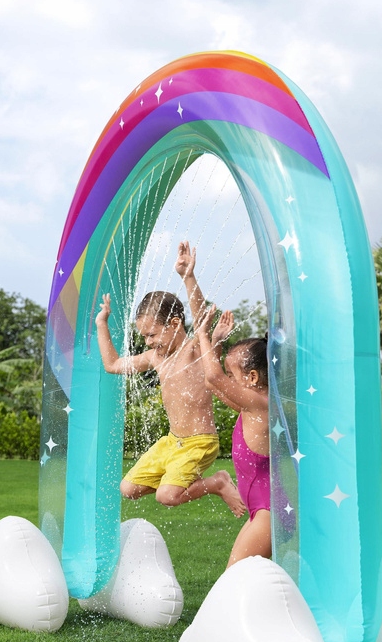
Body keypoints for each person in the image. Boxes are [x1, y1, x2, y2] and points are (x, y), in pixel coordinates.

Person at [95, 241, 245, 516]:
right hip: (172, 441)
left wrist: (188, 277)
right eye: (143, 336)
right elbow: (113, 365)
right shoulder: (155, 358)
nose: (147, 342)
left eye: (151, 334)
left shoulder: (195, 349)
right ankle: (176, 477)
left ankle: (218, 482)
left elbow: (201, 321)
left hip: (199, 441)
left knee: (167, 496)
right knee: (128, 488)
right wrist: (101, 323)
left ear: (174, 324)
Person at [195, 305, 271, 567]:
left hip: (268, 513)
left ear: (252, 377)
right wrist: (216, 341)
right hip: (260, 511)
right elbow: (210, 381)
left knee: (235, 576)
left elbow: (214, 376)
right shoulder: (250, 408)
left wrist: (202, 335)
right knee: (236, 577)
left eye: (232, 375)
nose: (227, 379)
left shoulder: (260, 406)